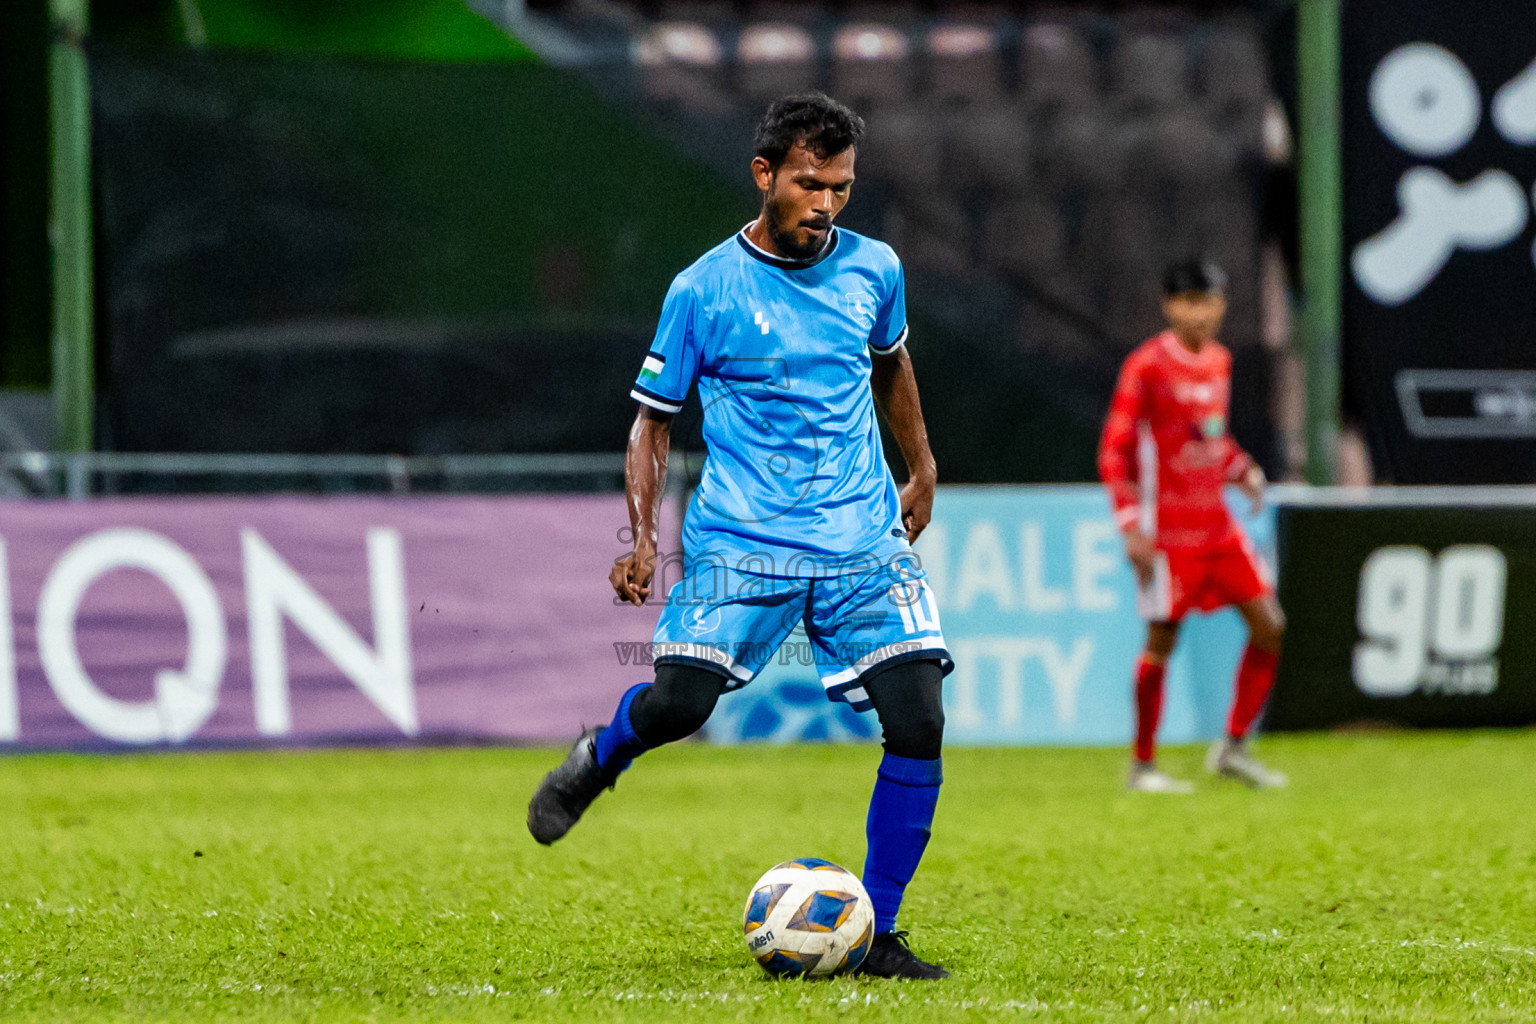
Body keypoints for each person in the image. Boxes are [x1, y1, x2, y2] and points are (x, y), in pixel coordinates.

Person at [526, 94, 954, 980]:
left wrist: (920, 466)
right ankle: (601, 756)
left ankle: (878, 932)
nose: (827, 204)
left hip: (858, 538)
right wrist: (643, 538)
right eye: (810, 184)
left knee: (918, 720)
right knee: (680, 707)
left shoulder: (875, 270)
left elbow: (893, 365)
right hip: (741, 540)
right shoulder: (701, 289)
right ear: (765, 175)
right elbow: (652, 420)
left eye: (840, 187)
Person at [1098, 259, 1288, 794]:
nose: (1200, 312)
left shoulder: (1221, 362)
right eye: (1189, 301)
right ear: (1169, 305)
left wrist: (1241, 467)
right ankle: (1142, 766)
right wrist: (1132, 524)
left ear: (1223, 304)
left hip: (1217, 527)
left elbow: (1209, 440)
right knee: (1161, 643)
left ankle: (1232, 746)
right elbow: (1114, 452)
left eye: (1209, 301)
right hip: (1168, 533)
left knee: (1270, 625)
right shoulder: (1147, 366)